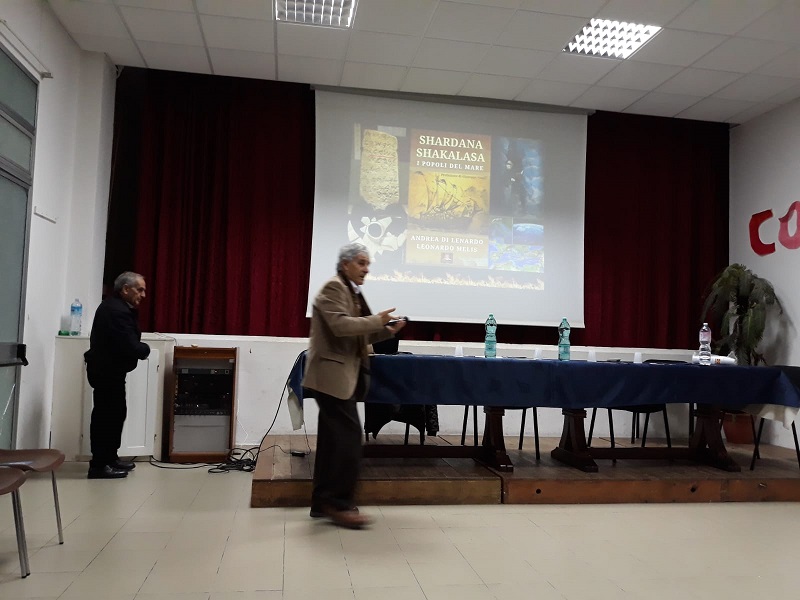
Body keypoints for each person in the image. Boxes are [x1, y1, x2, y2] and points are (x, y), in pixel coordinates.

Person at [303, 243, 406, 529]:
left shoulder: (352, 292)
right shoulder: (334, 288)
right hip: (332, 378)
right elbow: (341, 326)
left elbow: (359, 333)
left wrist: (387, 330)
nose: (366, 269)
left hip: (338, 378)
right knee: (348, 441)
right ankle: (339, 505)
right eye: (361, 263)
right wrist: (376, 320)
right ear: (345, 264)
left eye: (368, 263)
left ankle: (322, 503)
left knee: (332, 443)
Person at [84, 272, 150, 479]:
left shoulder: (116, 307)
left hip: (110, 371)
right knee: (106, 418)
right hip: (106, 371)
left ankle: (110, 458)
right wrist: (145, 349)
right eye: (140, 289)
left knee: (115, 415)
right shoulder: (116, 311)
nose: (143, 295)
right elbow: (129, 345)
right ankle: (99, 465)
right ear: (125, 289)